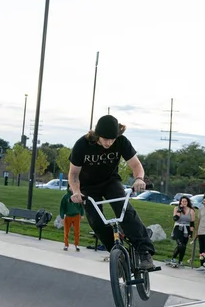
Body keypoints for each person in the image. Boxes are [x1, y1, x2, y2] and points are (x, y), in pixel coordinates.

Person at [68, 115, 156, 270]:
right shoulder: (82, 144)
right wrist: (76, 192)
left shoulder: (122, 141)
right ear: (97, 135)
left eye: (112, 139)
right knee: (96, 221)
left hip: (110, 182)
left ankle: (144, 253)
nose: (108, 143)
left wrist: (139, 179)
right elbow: (73, 174)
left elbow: (136, 165)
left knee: (125, 210)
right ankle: (117, 253)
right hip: (87, 187)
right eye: (105, 139)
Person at [168, 195, 195, 268]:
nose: (184, 203)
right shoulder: (176, 208)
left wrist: (191, 233)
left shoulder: (191, 211)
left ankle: (180, 260)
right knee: (180, 245)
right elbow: (175, 218)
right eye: (182, 201)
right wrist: (179, 210)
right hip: (178, 227)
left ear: (187, 202)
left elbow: (192, 223)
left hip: (186, 229)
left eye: (185, 201)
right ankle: (173, 258)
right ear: (180, 202)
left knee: (184, 246)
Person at [59, 184, 85, 252]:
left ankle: (77, 244)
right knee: (66, 231)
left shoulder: (77, 196)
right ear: (69, 187)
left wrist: (82, 214)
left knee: (77, 231)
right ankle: (66, 245)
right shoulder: (65, 197)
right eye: (71, 186)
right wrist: (62, 217)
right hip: (68, 216)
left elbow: (81, 206)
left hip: (76, 215)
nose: (72, 187)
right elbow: (62, 208)